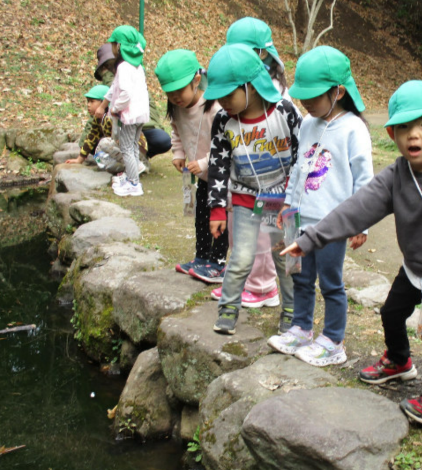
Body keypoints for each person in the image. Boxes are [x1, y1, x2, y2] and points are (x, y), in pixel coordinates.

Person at [275, 80, 422, 388]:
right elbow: (355, 208)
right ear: (392, 134)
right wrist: (310, 239)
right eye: (404, 127)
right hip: (414, 268)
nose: (414, 134)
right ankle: (399, 360)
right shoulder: (396, 175)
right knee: (391, 313)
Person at [266, 46, 373, 366]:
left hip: (332, 223)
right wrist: (288, 205)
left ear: (338, 92)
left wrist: (361, 223)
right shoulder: (308, 124)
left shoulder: (354, 129)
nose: (306, 103)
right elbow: (299, 168)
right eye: (303, 96)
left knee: (330, 282)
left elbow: (365, 181)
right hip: (300, 220)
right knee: (300, 277)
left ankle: (333, 340)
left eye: (313, 96)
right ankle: (301, 328)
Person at [204, 43, 301, 335]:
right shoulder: (223, 121)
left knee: (286, 256)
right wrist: (217, 209)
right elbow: (218, 164)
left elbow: (302, 154)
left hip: (282, 201)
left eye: (228, 94)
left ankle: (292, 311)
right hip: (245, 198)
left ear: (252, 86)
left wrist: (295, 196)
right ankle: (228, 309)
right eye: (218, 96)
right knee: (240, 257)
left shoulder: (284, 111)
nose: (222, 102)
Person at [153, 49, 226, 278]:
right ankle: (201, 256)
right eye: (170, 93)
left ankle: (218, 262)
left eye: (179, 91)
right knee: (200, 216)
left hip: (221, 177)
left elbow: (226, 144)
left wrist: (204, 163)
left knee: (218, 217)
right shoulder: (177, 108)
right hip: (201, 176)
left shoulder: (214, 108)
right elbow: (176, 131)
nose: (175, 97)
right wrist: (178, 153)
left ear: (196, 80)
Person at [81, 42, 171, 161]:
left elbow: (98, 116)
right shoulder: (131, 79)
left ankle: (136, 158)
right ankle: (135, 158)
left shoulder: (125, 81)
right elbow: (97, 117)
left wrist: (83, 146)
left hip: (138, 130)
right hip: (134, 130)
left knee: (158, 140)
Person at [95, 26, 150, 197]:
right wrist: (105, 104)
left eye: (113, 44)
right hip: (141, 114)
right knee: (132, 147)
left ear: (119, 46)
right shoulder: (137, 66)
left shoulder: (124, 67)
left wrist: (115, 108)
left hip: (130, 115)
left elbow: (125, 93)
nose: (111, 48)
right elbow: (114, 88)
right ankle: (133, 178)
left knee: (126, 149)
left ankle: (133, 183)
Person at [66, 84, 147, 165]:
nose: (88, 105)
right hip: (121, 149)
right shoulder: (98, 118)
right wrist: (79, 160)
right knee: (99, 156)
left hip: (136, 148)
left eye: (92, 101)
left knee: (104, 143)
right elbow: (91, 138)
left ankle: (136, 164)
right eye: (88, 101)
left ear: (103, 102)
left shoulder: (112, 116)